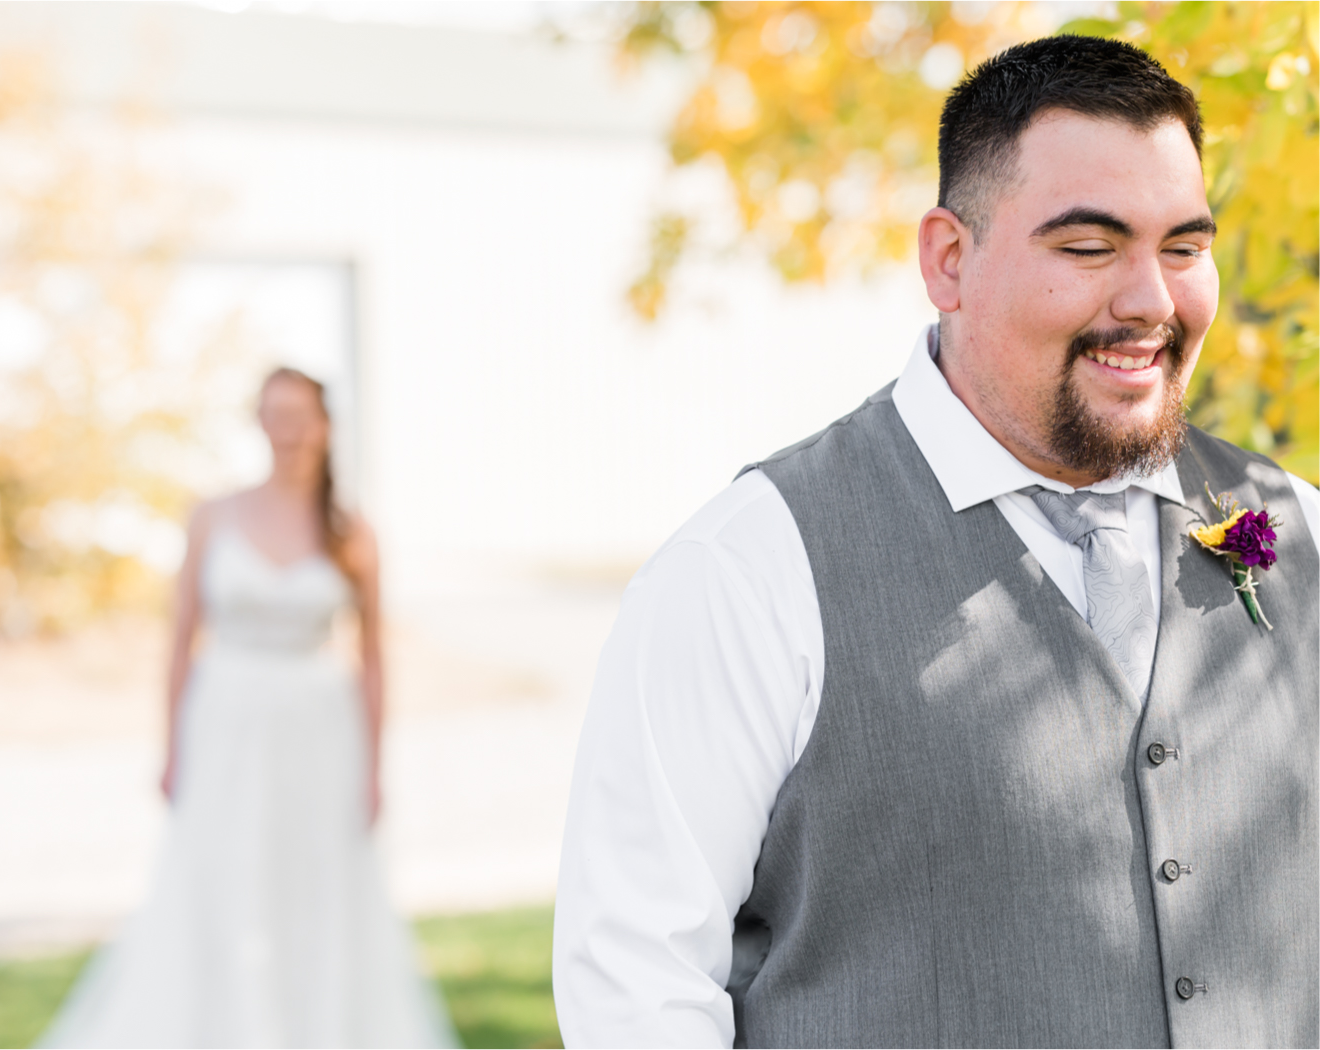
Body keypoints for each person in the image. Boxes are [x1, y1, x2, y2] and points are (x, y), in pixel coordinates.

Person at [553, 36, 1319, 1049]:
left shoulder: (1297, 524)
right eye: (1090, 248)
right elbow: (634, 987)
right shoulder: (749, 570)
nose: (1151, 300)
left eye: (1183, 247)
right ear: (948, 260)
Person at [42, 368, 453, 1048]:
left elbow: (373, 656)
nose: (287, 431)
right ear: (258, 425)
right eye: (273, 415)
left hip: (320, 731)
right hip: (226, 720)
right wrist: (171, 748)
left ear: (325, 426)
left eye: (299, 416)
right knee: (219, 879)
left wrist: (374, 769)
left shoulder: (353, 533)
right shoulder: (213, 515)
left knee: (313, 889)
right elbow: (181, 639)